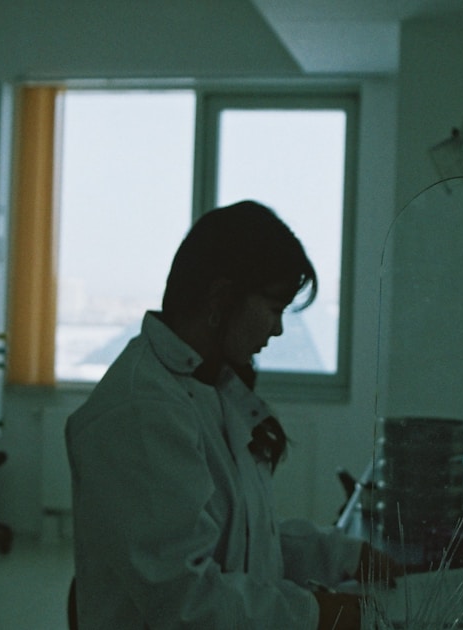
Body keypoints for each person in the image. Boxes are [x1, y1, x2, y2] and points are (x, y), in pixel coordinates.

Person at [64, 200, 393, 629]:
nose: (277, 330)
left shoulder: (211, 386)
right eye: (274, 309)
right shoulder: (142, 413)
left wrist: (346, 556)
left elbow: (243, 544)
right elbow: (186, 603)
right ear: (220, 298)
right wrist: (319, 614)